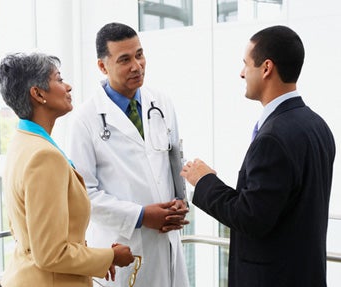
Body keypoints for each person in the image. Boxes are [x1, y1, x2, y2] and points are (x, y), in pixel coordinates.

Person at [181, 25, 335, 287]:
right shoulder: (318, 126)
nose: (241, 73)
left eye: (245, 64)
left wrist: (205, 181)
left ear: (266, 68)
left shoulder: (273, 138)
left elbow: (251, 217)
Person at [0, 52, 135, 287]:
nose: (68, 86)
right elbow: (51, 253)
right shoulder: (44, 156)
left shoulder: (21, 142)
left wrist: (93, 257)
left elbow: (36, 237)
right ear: (38, 94)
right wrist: (110, 257)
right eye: (59, 80)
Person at [67, 22, 190, 287]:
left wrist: (181, 200)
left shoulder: (162, 103)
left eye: (139, 54)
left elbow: (175, 161)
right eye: (124, 59)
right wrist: (142, 215)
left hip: (167, 240)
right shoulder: (85, 120)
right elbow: (84, 195)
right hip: (124, 248)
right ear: (103, 66)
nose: (137, 65)